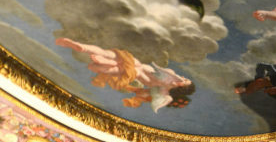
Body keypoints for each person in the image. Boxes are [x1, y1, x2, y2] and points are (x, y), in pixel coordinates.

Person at [56, 38, 195, 111]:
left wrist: (176, 84)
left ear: (181, 85)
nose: (183, 77)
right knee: (100, 68)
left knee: (105, 54)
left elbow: (161, 82)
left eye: (185, 80)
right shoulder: (164, 90)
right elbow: (157, 100)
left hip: (134, 64)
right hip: (132, 72)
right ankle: (106, 62)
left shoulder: (169, 79)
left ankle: (83, 47)